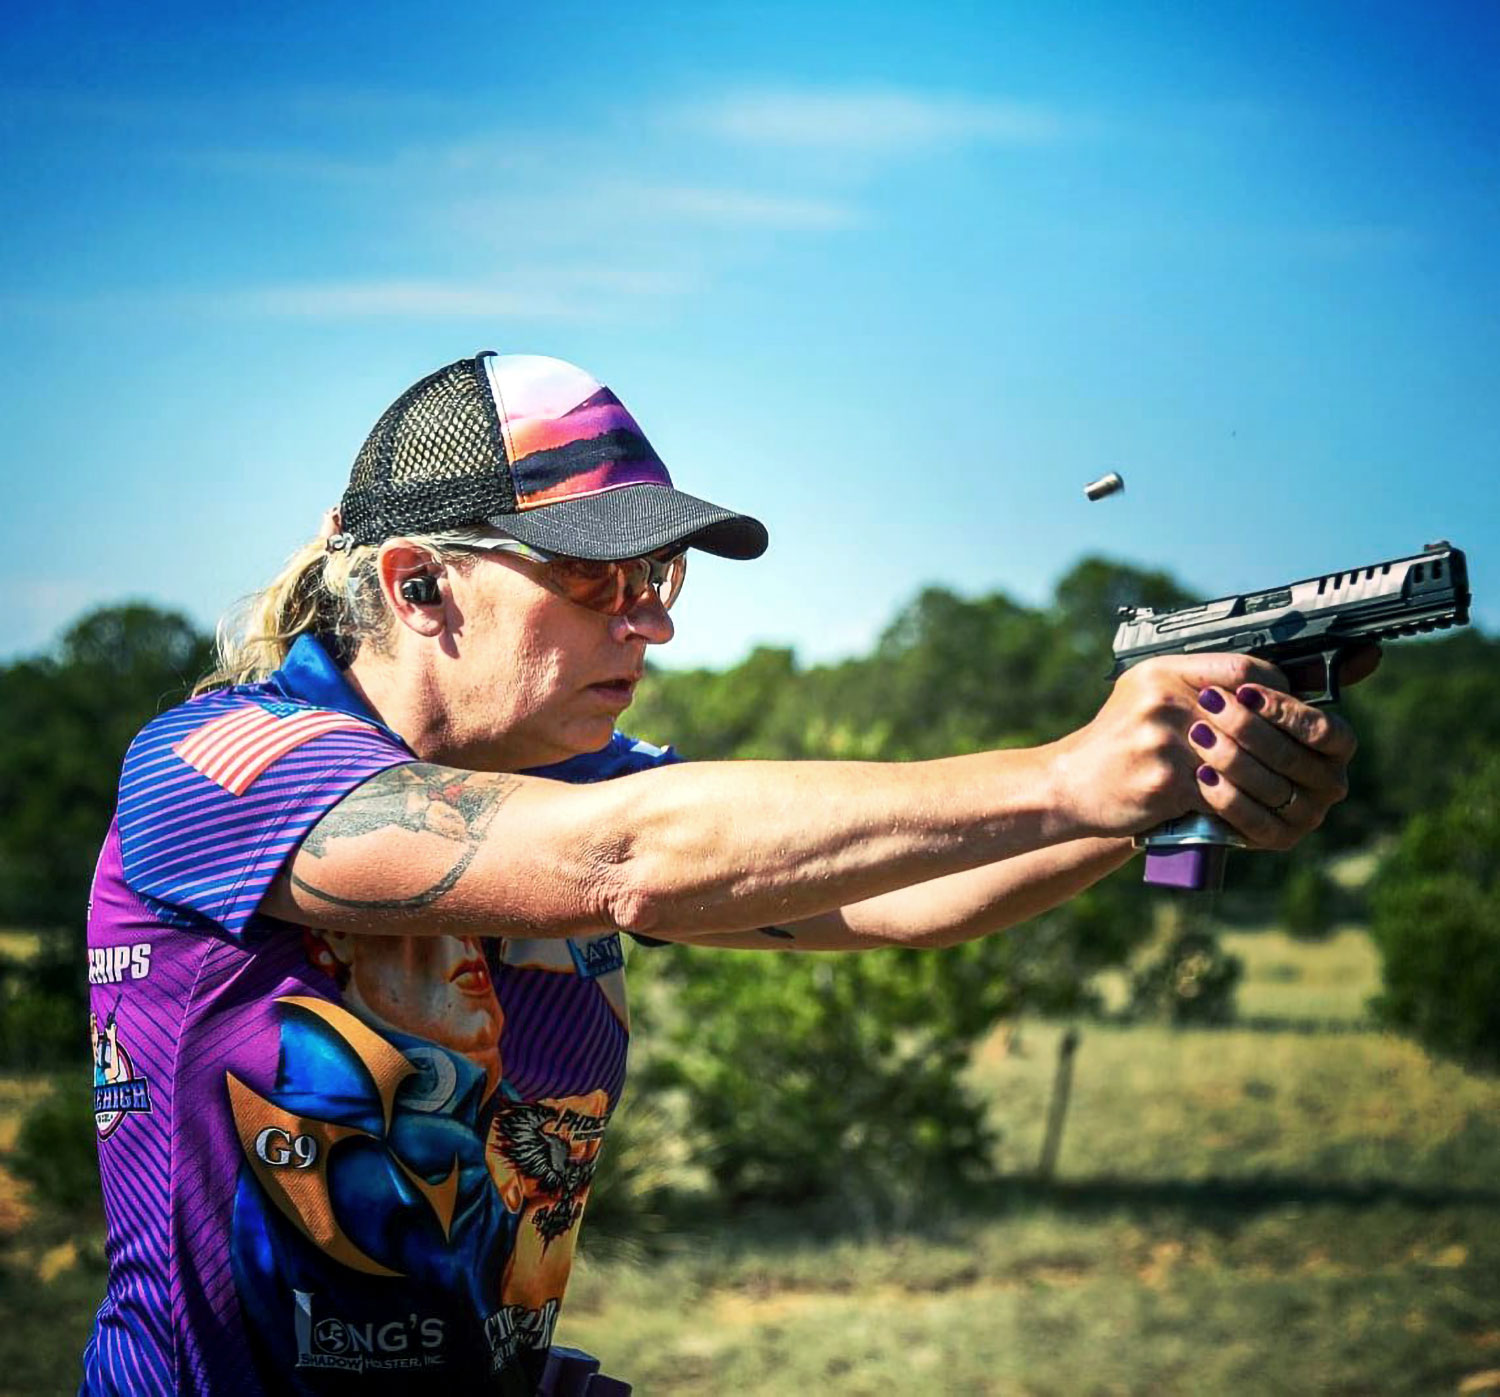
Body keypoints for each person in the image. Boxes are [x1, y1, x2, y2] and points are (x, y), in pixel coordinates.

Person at [81, 351, 1364, 1395]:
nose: (651, 618)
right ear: (420, 583)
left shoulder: (580, 779)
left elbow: (891, 897)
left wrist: (1151, 795)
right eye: (593, 574)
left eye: (660, 572)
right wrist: (1066, 771)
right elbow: (628, 858)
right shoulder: (221, 765)